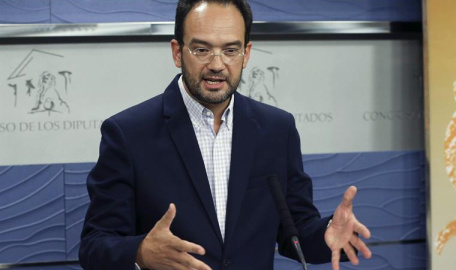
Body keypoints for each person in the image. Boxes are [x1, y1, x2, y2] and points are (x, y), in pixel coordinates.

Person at [79, 0, 372, 269]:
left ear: (246, 54)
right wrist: (141, 252)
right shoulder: (129, 133)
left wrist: (327, 233)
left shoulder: (276, 129)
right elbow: (94, 246)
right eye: (202, 49)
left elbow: (294, 231)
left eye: (230, 50)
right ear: (177, 52)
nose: (217, 64)